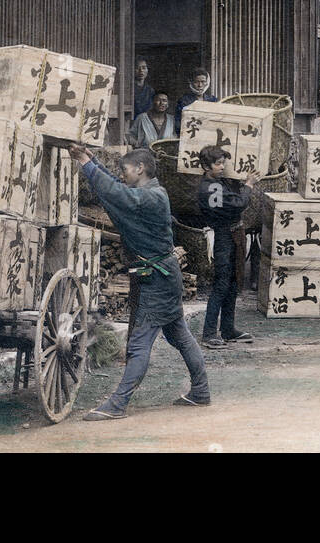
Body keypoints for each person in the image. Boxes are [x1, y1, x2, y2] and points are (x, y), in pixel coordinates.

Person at [69, 144, 210, 418]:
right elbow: (114, 188)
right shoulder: (147, 193)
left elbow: (115, 193)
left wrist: (87, 162)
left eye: (124, 169)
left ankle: (118, 404)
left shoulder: (151, 197)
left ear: (140, 169)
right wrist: (92, 160)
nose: (121, 174)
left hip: (157, 279)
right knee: (179, 334)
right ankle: (201, 391)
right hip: (162, 276)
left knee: (139, 343)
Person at [195, 145, 253, 348]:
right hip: (223, 236)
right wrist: (249, 185)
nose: (222, 167)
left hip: (233, 235)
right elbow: (238, 204)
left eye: (223, 163)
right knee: (221, 284)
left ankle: (228, 329)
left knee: (233, 282)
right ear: (206, 166)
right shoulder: (210, 187)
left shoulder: (218, 183)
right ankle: (209, 333)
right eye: (218, 163)